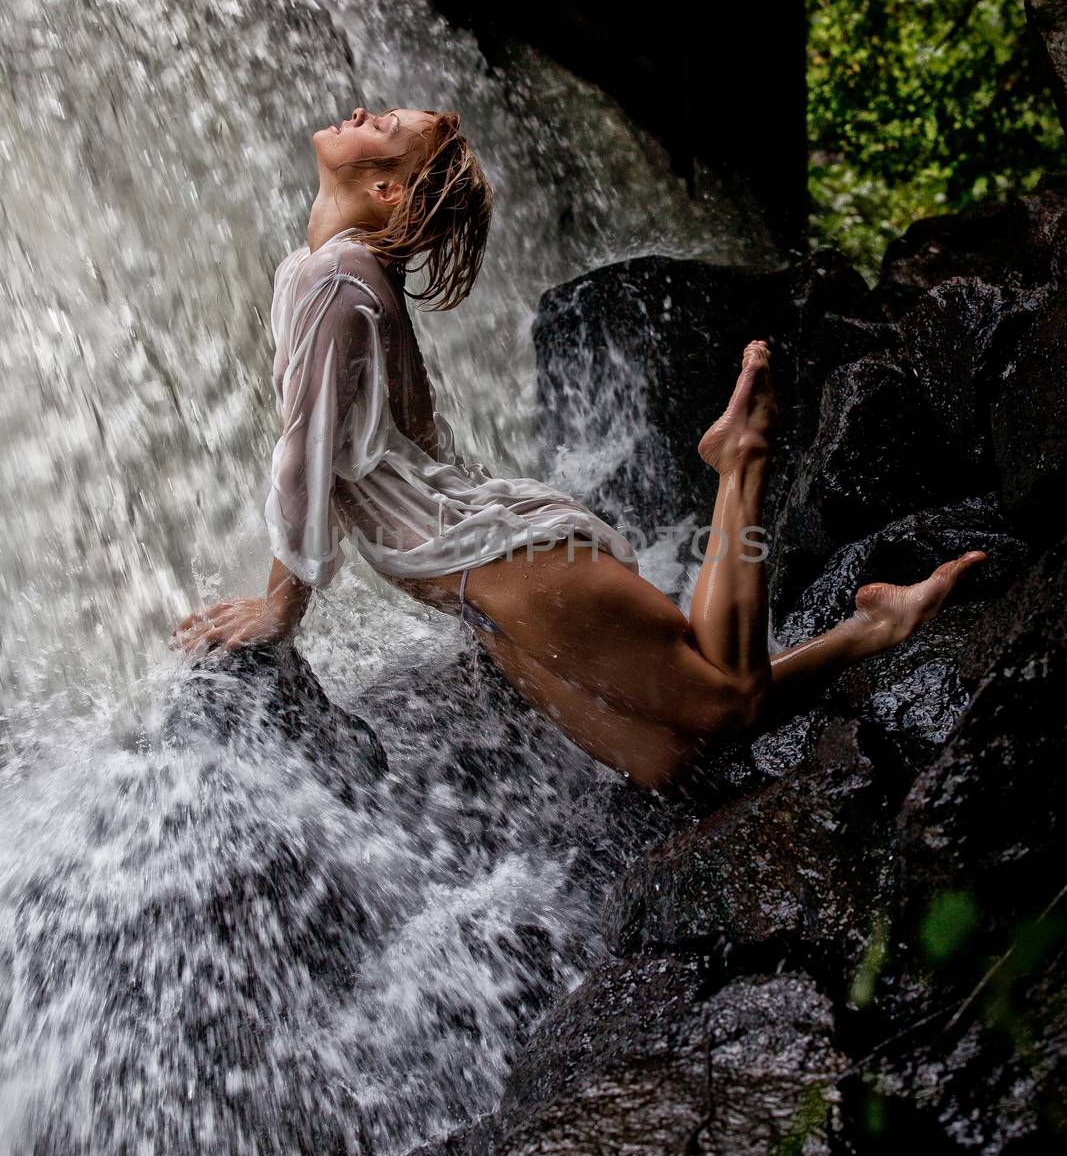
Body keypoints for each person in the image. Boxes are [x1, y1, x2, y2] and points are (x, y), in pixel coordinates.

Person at [171, 106, 986, 792]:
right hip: (474, 581)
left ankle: (741, 459)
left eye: (382, 124)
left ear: (385, 190)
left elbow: (305, 454)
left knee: (725, 701)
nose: (361, 113)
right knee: (666, 757)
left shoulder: (336, 282)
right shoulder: (318, 272)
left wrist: (282, 606)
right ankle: (876, 626)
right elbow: (340, 451)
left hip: (506, 565)